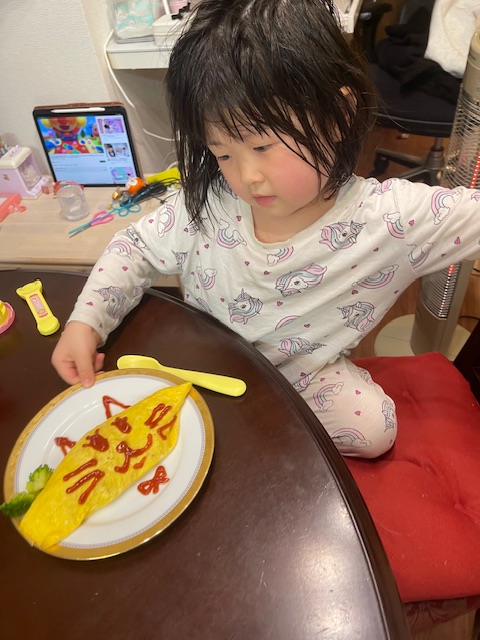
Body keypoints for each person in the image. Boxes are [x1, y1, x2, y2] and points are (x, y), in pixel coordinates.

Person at [52, 0, 480, 459]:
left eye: (262, 146)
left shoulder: (390, 219)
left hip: (298, 378)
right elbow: (134, 246)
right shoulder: (211, 200)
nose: (246, 176)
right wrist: (85, 322)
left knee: (374, 430)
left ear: (337, 115)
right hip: (204, 357)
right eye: (223, 153)